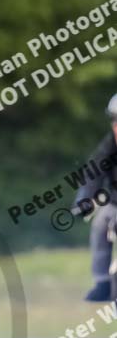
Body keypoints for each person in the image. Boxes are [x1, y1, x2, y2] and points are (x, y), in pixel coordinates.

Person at [73, 94, 117, 302]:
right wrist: (84, 200)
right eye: (115, 120)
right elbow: (93, 172)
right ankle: (102, 283)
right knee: (100, 222)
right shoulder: (109, 145)